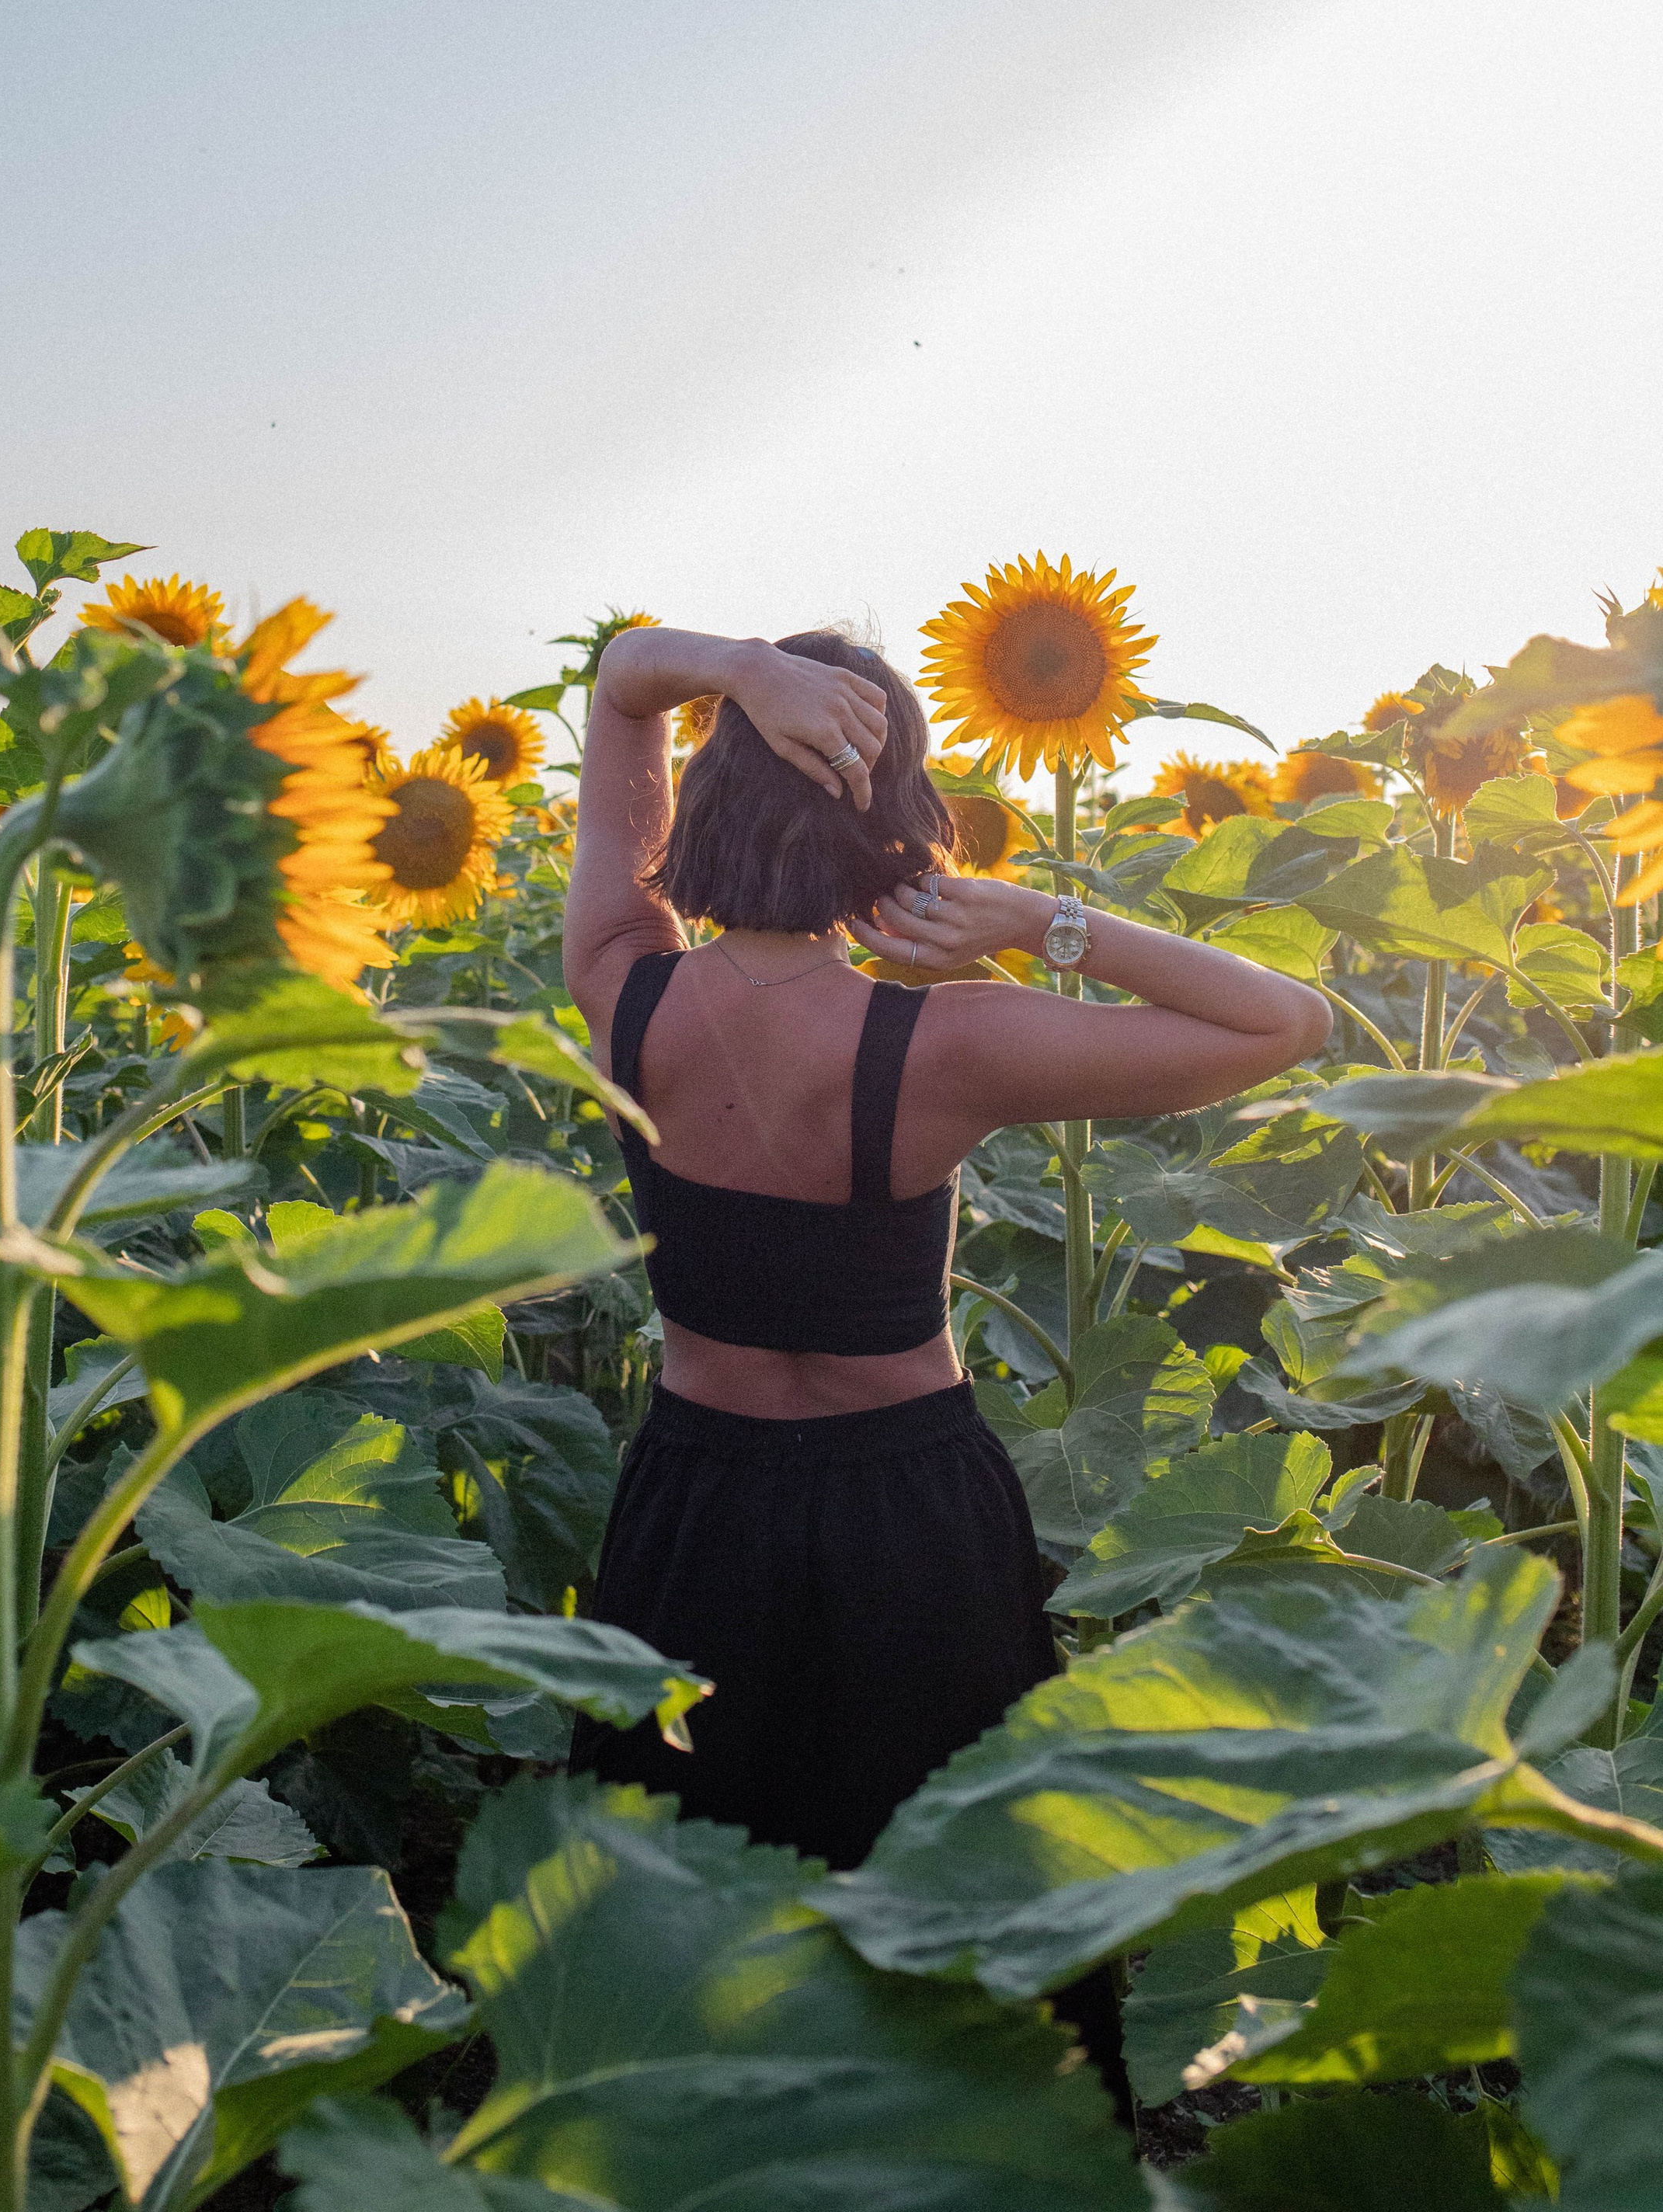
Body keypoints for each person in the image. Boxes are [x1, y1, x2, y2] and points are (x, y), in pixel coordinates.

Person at [562, 625, 1333, 2098]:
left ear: (713, 809)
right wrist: (1046, 918)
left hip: (692, 1504)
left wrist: (741, 672)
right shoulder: (948, 1047)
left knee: (680, 1930)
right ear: (897, 826)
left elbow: (619, 688)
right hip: (903, 1521)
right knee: (960, 1937)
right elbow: (1285, 1021)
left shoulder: (621, 990)